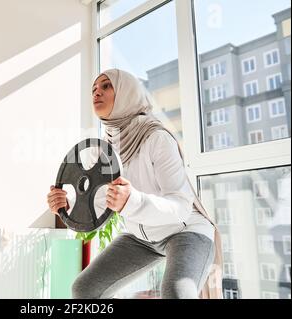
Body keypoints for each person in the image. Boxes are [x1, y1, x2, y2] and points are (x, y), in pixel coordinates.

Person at [46, 69, 222, 299]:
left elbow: (181, 206)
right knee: (84, 289)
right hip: (141, 238)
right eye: (93, 89)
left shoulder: (157, 137)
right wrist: (67, 203)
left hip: (186, 231)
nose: (96, 92)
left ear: (127, 93)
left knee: (177, 293)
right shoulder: (104, 148)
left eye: (106, 86)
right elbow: (99, 202)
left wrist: (132, 201)